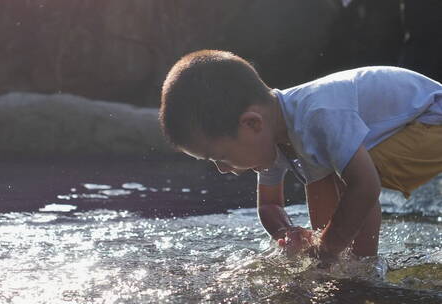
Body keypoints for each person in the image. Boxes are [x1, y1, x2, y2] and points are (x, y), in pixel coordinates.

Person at [158, 50, 442, 263]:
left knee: (353, 179)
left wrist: (326, 251)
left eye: (219, 156)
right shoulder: (274, 139)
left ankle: (364, 270)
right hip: (408, 129)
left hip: (432, 119)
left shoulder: (318, 114)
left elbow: (365, 187)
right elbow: (269, 205)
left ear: (252, 124)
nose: (222, 169)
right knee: (321, 185)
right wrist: (288, 231)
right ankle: (344, 266)